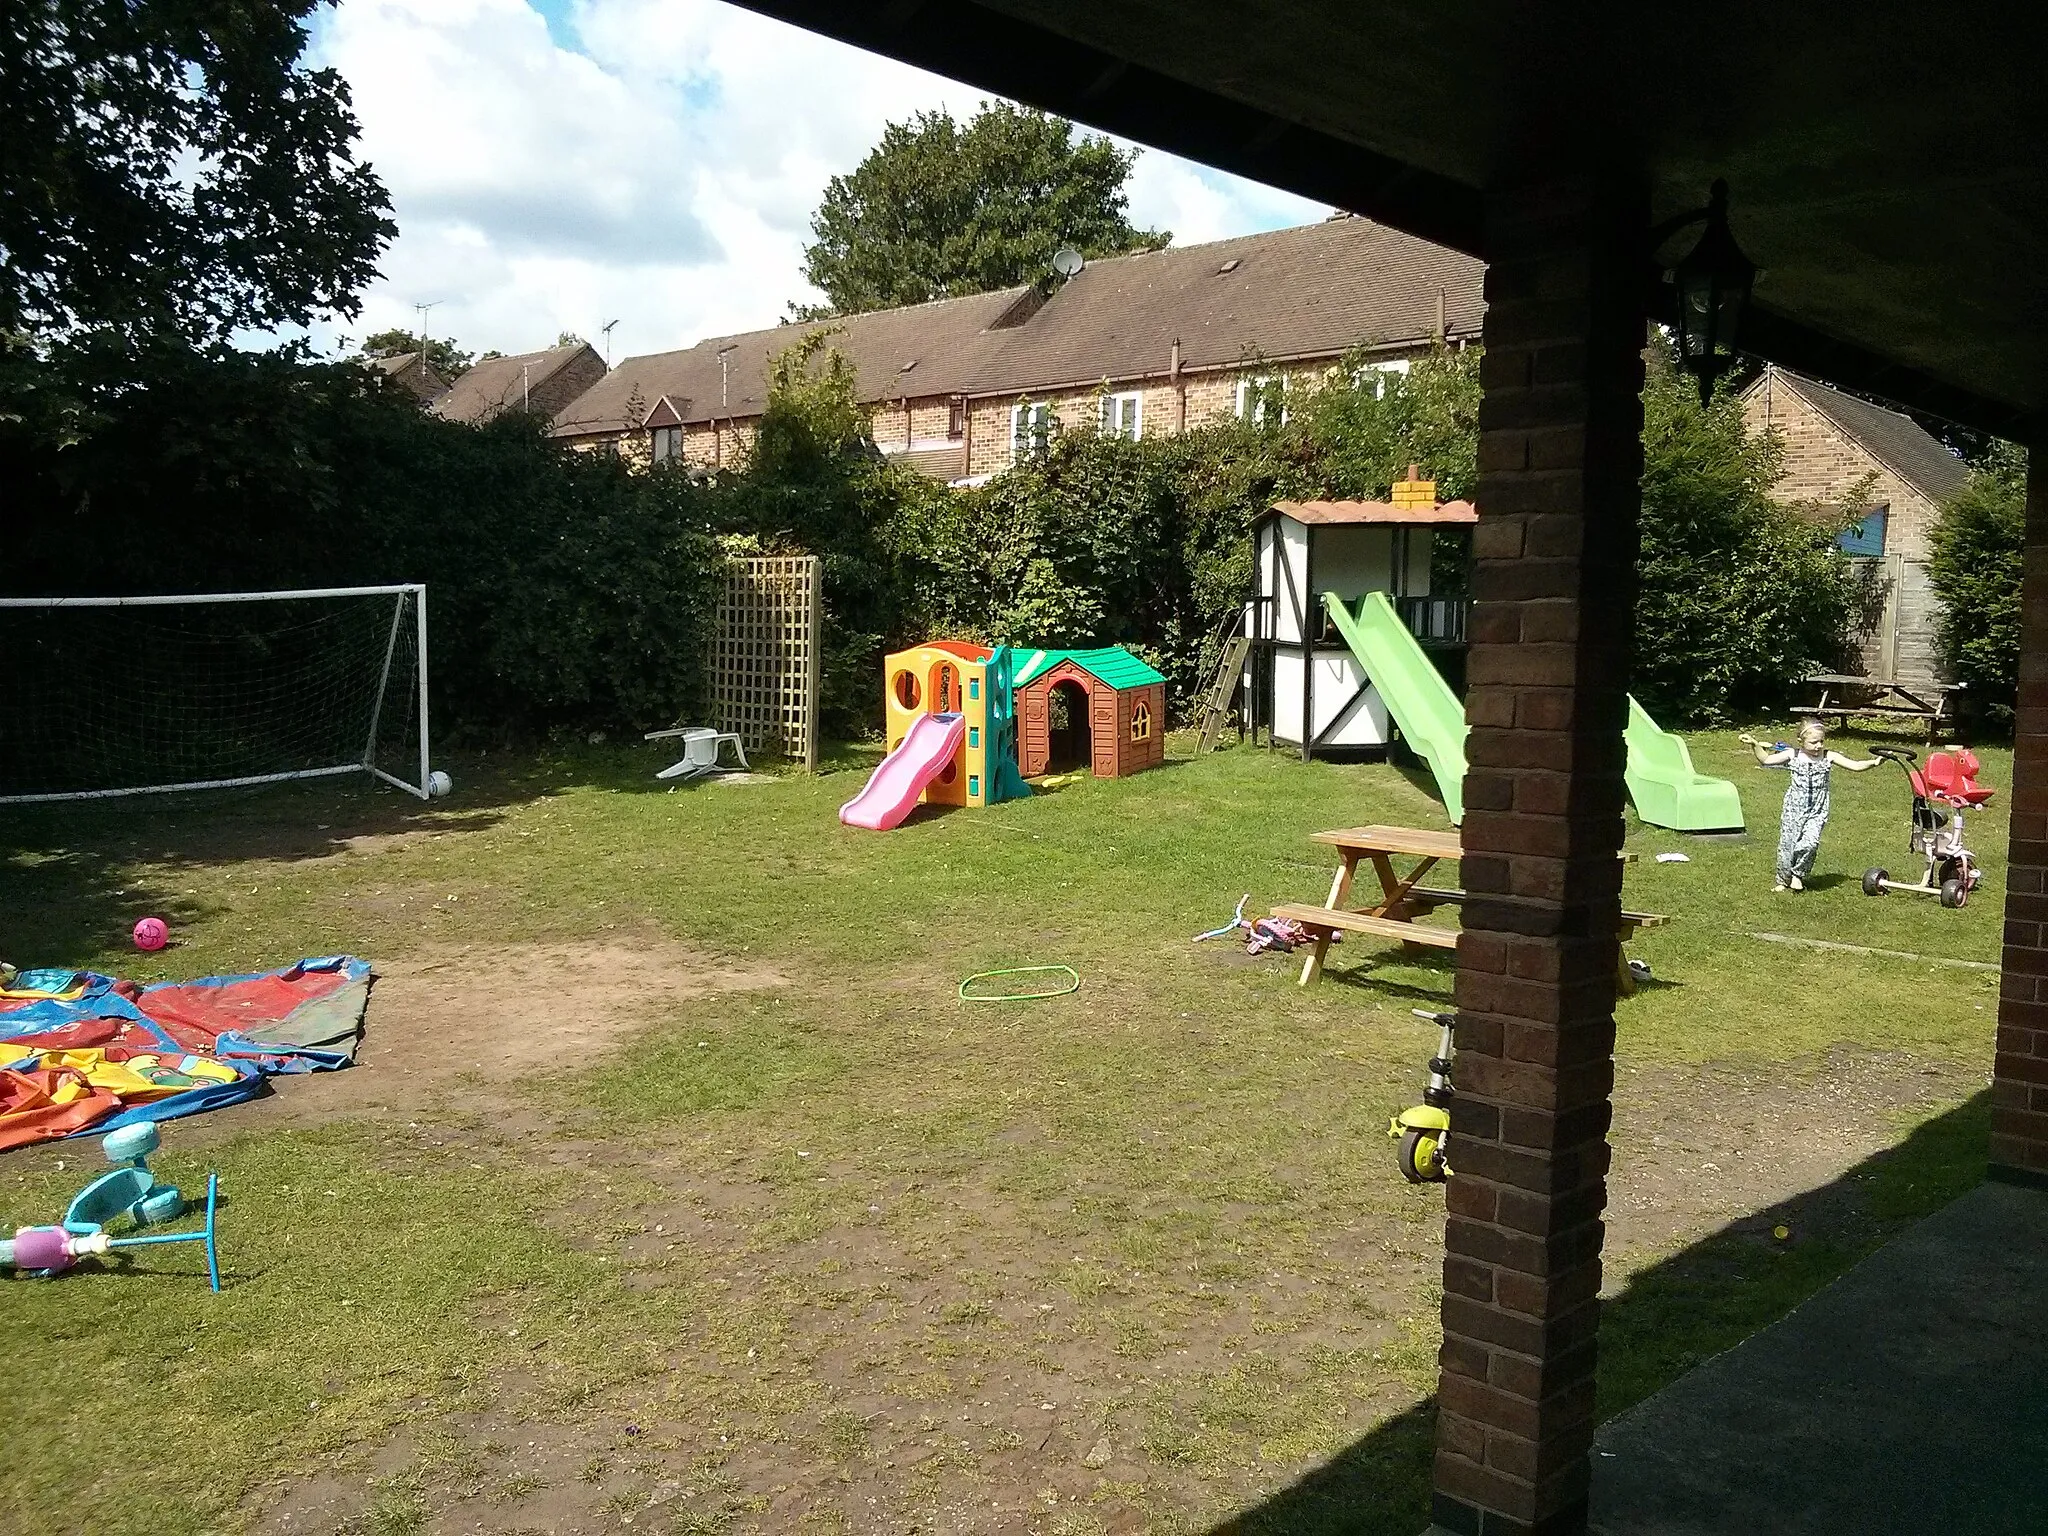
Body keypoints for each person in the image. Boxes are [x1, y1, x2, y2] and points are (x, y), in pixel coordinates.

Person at [1739, 722, 1878, 892]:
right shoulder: (1793, 754)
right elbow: (1766, 760)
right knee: (1788, 845)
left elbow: (1855, 766)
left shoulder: (1828, 756)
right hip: (1794, 808)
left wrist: (1874, 762)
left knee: (1810, 843)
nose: (1818, 746)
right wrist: (1755, 744)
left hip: (1818, 810)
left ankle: (1798, 875)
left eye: (1821, 741)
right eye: (1813, 742)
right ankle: (1783, 880)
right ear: (1800, 741)